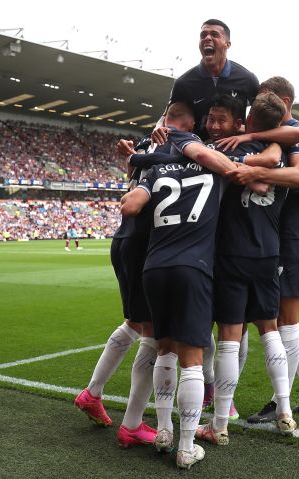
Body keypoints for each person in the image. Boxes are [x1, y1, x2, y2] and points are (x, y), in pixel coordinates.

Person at [119, 113, 248, 470]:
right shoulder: (214, 170)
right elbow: (252, 181)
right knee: (192, 359)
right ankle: (186, 446)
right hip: (193, 267)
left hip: (154, 268)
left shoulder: (158, 172)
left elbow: (129, 207)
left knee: (164, 350)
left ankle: (163, 431)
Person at [75, 103, 195, 449]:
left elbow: (137, 167)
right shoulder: (179, 146)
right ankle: (131, 424)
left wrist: (134, 155)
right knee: (155, 337)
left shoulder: (145, 145)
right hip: (147, 241)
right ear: (187, 126)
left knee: (134, 322)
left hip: (124, 238)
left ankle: (93, 394)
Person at [189, 92, 299, 446]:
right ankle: (285, 410)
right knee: (270, 331)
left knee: (229, 339)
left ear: (249, 121)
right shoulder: (279, 156)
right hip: (269, 253)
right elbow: (290, 154)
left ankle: (219, 423)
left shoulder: (228, 152)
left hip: (232, 254)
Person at [229, 77, 299, 422]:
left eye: (268, 100)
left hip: (290, 232)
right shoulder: (281, 130)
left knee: (283, 319)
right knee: (264, 316)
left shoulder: (295, 130)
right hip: (272, 231)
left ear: (284, 101)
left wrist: (253, 168)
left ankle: (279, 401)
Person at [164, 19, 259, 140]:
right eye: (203, 35)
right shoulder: (184, 83)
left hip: (234, 148)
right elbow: (170, 116)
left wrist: (247, 133)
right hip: (196, 149)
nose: (207, 38)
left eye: (214, 34)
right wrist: (159, 128)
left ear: (227, 44)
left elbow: (262, 117)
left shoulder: (247, 79)